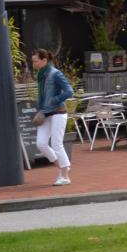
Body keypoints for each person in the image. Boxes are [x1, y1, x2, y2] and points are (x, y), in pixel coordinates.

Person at [31, 49, 74, 186]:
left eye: (35, 61)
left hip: (58, 112)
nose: (34, 64)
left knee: (56, 144)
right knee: (41, 143)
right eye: (33, 61)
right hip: (45, 113)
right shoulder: (41, 74)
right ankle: (63, 166)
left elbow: (69, 91)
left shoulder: (55, 73)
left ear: (44, 61)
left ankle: (65, 176)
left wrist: (55, 100)